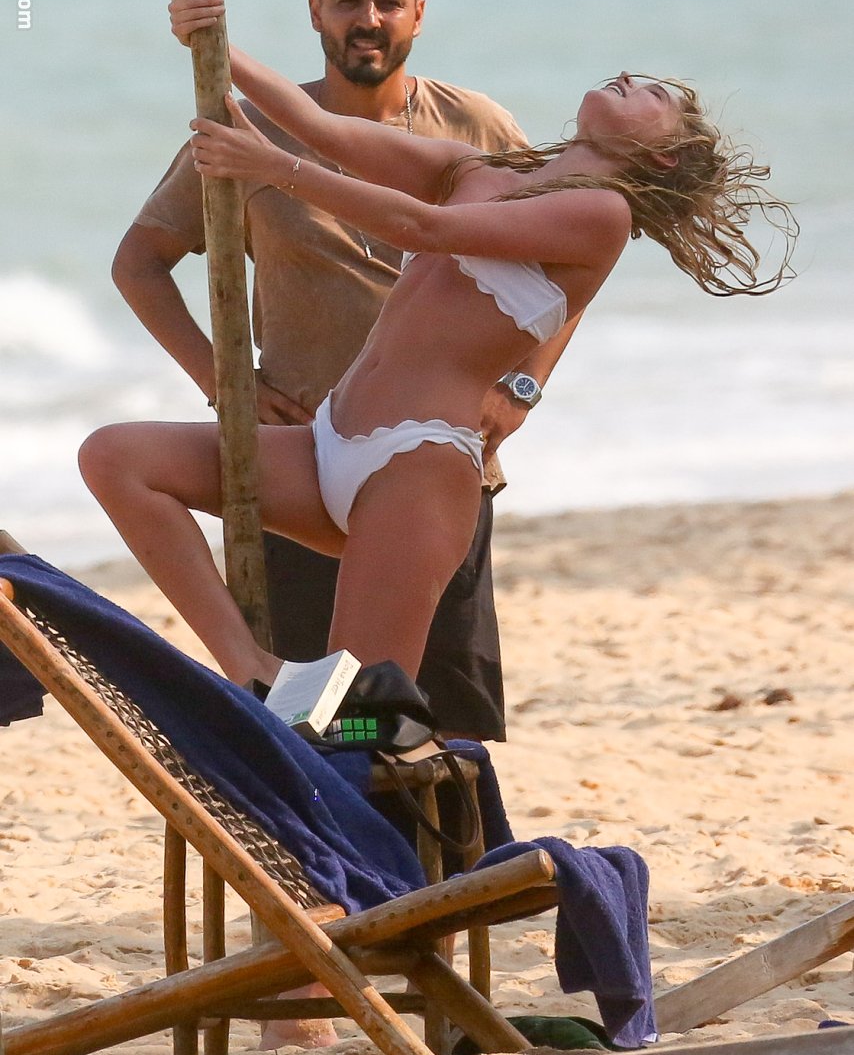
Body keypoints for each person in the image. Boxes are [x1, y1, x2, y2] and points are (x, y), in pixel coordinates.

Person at [79, 49, 797, 700]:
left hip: (417, 466)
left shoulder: (600, 215)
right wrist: (216, 43)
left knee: (361, 712)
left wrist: (273, 169)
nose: (632, 77)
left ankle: (378, 783)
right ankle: (248, 667)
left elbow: (423, 228)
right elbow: (319, 129)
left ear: (666, 156)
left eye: (655, 95)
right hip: (326, 443)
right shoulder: (477, 170)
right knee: (117, 458)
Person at [113, 0, 573, 744]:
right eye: (349, 0)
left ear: (418, 15)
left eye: (388, 2)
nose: (369, 19)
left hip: (441, 463)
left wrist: (521, 388)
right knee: (318, 721)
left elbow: (562, 267)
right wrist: (226, 384)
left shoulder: (475, 130)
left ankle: (451, 834)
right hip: (301, 464)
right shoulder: (252, 132)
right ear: (316, 11)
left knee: (437, 720)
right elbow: (140, 263)